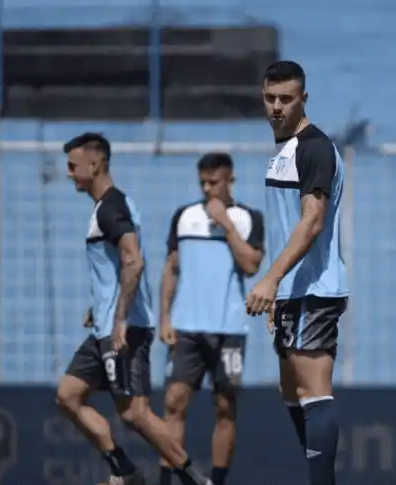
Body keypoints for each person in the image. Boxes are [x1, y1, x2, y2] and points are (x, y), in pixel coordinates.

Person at [54, 133, 212, 485]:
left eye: (72, 166)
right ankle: (123, 470)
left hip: (123, 330)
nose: (69, 173)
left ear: (95, 165)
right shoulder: (110, 207)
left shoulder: (111, 207)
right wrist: (100, 307)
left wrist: (120, 316)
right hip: (105, 329)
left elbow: (134, 261)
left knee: (135, 413)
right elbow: (119, 265)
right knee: (68, 395)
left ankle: (196, 479)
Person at [245, 60, 349, 485]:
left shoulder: (314, 147)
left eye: (285, 99)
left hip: (314, 287)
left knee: (313, 391)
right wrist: (280, 292)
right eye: (270, 98)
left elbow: (312, 220)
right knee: (291, 390)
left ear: (303, 99)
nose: (276, 107)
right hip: (293, 292)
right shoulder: (283, 150)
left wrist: (271, 279)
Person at [159, 152, 265, 485]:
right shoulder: (184, 216)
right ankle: (170, 478)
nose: (207, 189)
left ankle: (217, 481)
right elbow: (171, 269)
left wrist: (227, 225)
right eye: (202, 182)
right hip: (186, 328)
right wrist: (164, 317)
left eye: (213, 182)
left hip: (229, 330)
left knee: (225, 407)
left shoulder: (249, 218)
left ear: (229, 180)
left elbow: (251, 265)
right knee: (174, 402)